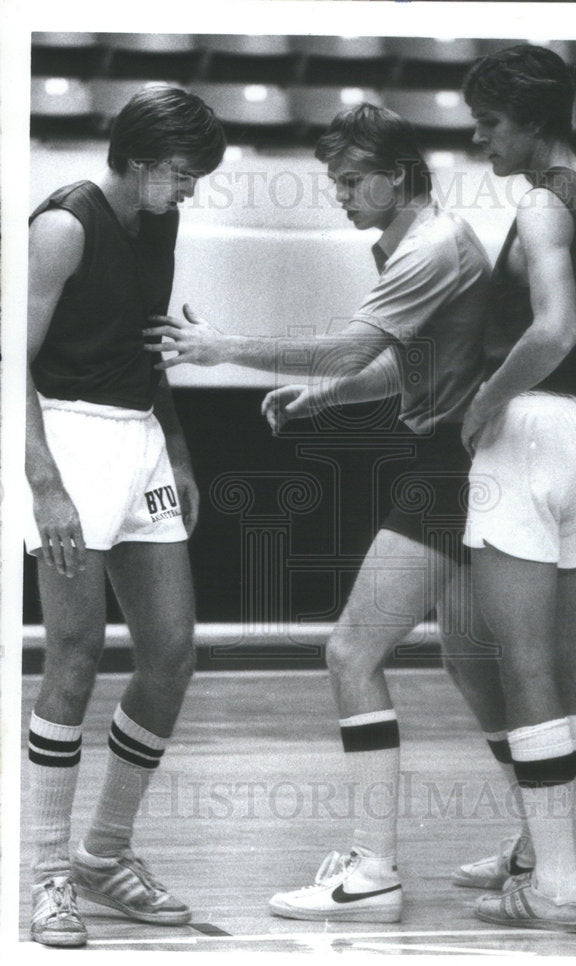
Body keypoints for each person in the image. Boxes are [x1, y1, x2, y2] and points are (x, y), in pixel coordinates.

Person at [144, 103, 493, 923]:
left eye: (348, 180)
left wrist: (225, 348)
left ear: (398, 175)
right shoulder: (418, 242)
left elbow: (349, 346)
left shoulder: (432, 248)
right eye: (333, 179)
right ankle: (539, 845)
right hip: (462, 460)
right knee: (478, 669)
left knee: (350, 652)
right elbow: (396, 366)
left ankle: (373, 869)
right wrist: (325, 396)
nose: (338, 194)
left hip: (452, 467)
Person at [25, 86, 226, 947]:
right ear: (141, 160)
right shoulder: (62, 226)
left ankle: (104, 856)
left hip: (137, 436)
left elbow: (149, 344)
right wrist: (44, 485)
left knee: (171, 652)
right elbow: (9, 364)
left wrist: (174, 447)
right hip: (64, 439)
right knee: (72, 655)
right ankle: (46, 874)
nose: (189, 190)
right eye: (182, 174)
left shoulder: (160, 221)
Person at [449, 44, 576, 932]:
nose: (481, 140)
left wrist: (486, 403)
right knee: (567, 663)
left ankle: (555, 889)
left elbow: (553, 329)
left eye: (488, 124)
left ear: (528, 121)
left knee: (520, 664)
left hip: (528, 431)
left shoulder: (540, 201)